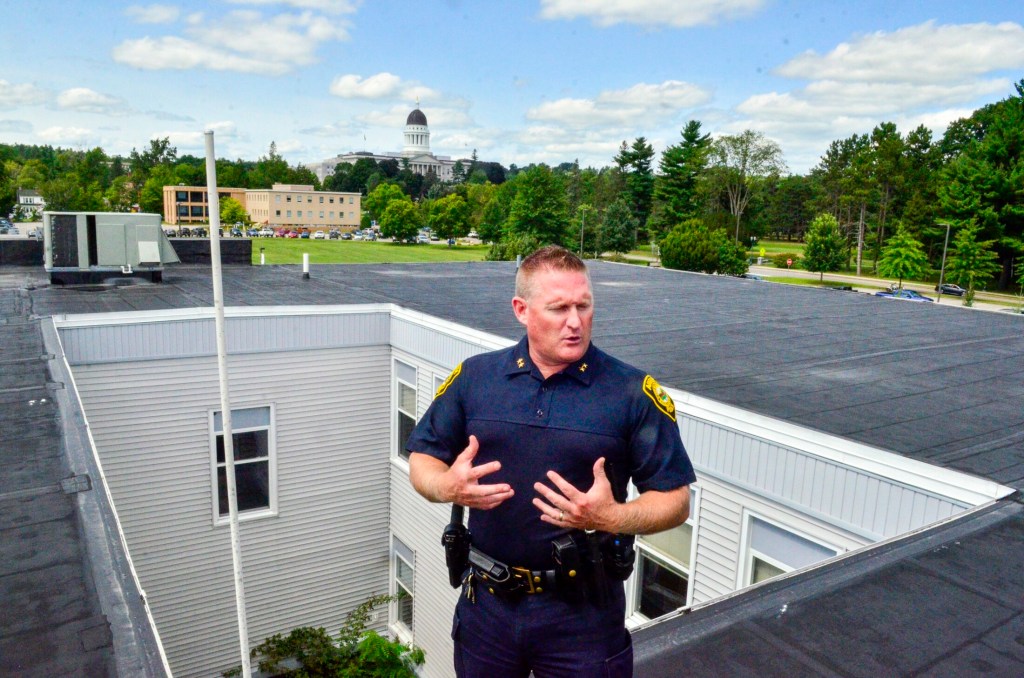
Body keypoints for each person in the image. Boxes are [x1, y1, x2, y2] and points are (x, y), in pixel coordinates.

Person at [406, 245, 695, 678]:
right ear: (521, 310)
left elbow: (675, 500)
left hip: (583, 616)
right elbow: (422, 461)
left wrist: (612, 516)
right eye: (559, 308)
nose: (576, 321)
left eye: (584, 305)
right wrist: (447, 487)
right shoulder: (475, 378)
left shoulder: (632, 392)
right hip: (488, 607)